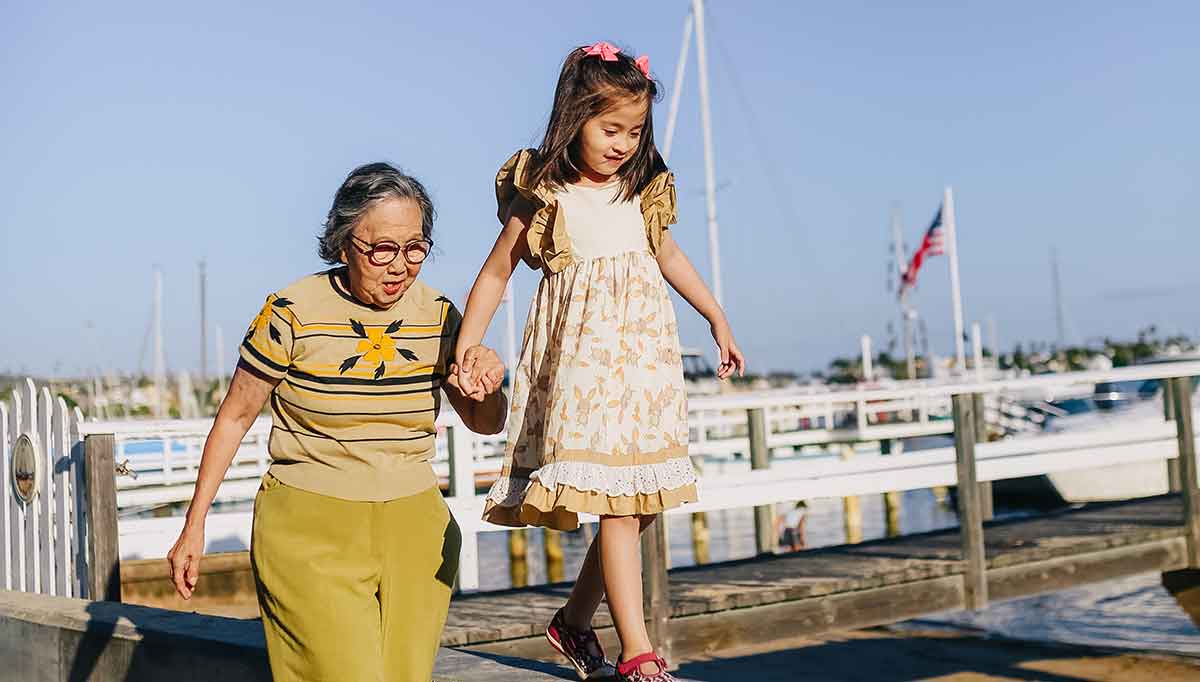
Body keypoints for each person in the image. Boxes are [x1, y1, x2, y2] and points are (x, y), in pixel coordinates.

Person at [456, 41, 745, 681]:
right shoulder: (546, 193)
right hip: (585, 369)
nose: (622, 144)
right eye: (610, 128)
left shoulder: (641, 191)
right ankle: (637, 651)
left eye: (634, 131)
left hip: (644, 367)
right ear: (575, 118)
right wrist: (468, 344)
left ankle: (574, 620)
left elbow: (668, 255)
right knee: (619, 504)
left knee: (641, 502)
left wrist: (716, 316)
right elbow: (497, 271)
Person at [166, 163, 507, 681]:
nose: (401, 266)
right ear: (344, 243)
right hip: (310, 528)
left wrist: (489, 387)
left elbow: (484, 422)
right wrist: (194, 525)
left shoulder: (440, 316)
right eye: (383, 249)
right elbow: (235, 417)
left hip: (416, 529)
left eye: (415, 248)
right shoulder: (291, 312)